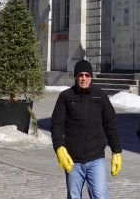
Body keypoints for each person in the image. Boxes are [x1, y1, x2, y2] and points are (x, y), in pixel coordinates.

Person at [51, 59, 123, 199]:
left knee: (100, 196)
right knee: (74, 196)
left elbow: (110, 124)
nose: (83, 78)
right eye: (80, 75)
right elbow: (56, 125)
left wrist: (116, 151)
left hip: (96, 159)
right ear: (75, 76)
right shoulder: (65, 97)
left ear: (91, 77)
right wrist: (59, 147)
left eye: (87, 75)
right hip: (73, 160)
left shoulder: (100, 95)